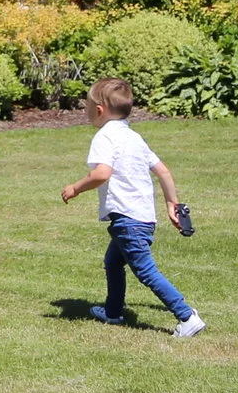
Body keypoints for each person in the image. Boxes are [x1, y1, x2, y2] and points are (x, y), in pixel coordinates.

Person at [59, 76, 205, 338]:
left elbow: (102, 173)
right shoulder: (134, 137)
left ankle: (186, 316)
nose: (86, 111)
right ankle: (113, 312)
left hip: (127, 219)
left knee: (145, 270)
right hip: (141, 216)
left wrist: (75, 187)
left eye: (87, 106)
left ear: (100, 110)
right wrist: (173, 203)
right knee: (113, 262)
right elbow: (163, 171)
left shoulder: (105, 137)